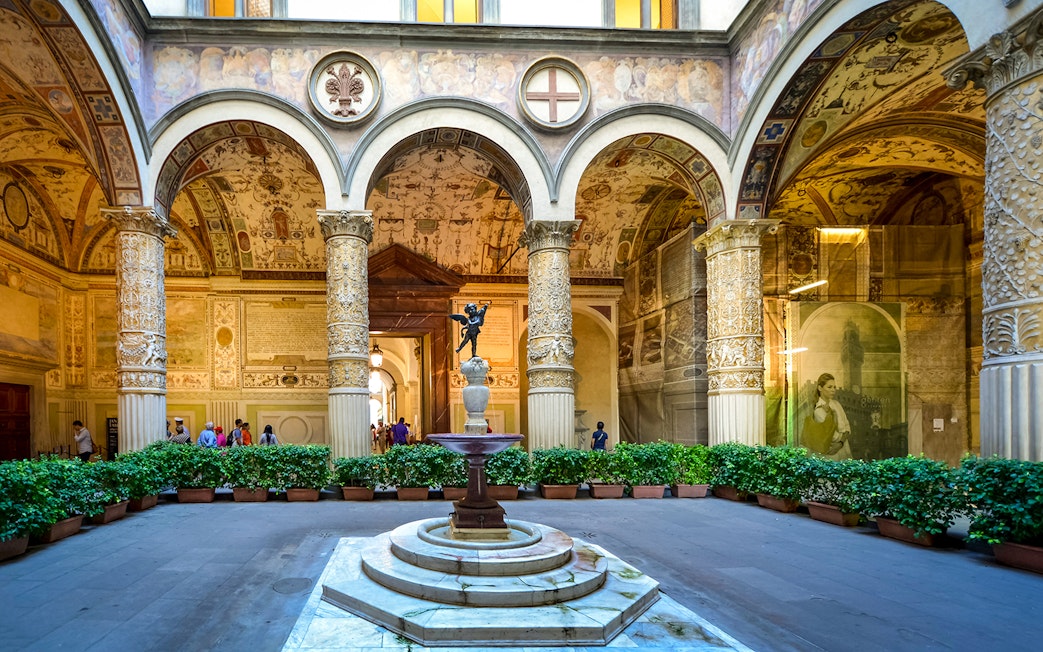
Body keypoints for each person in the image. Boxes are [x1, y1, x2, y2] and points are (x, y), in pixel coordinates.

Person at [808, 373, 852, 459]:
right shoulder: (818, 411)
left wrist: (841, 442)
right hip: (832, 453)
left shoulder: (837, 404)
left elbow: (847, 426)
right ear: (820, 388)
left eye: (834, 387)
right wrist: (842, 439)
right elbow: (833, 437)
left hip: (844, 448)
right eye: (829, 387)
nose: (833, 390)